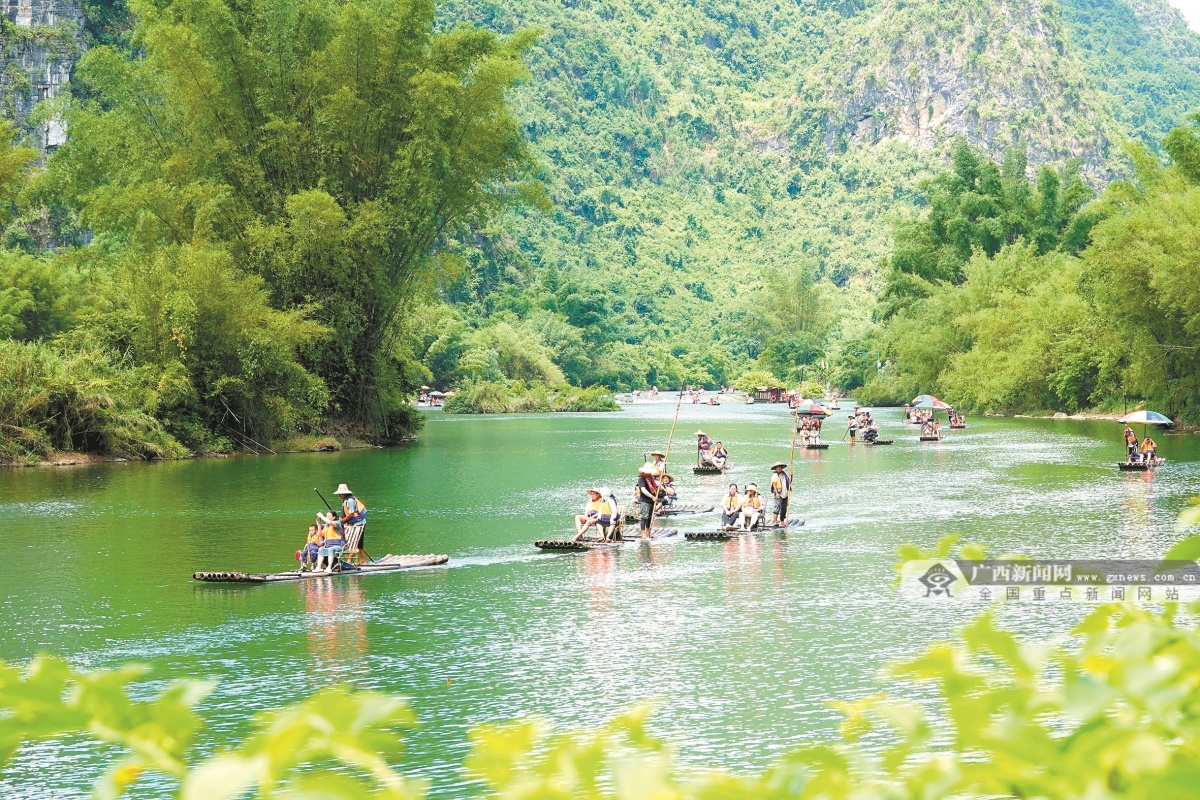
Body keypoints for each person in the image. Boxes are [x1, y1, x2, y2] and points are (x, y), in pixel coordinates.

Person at [333, 483, 367, 562]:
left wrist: (343, 520)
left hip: (359, 523)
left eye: (340, 494)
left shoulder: (350, 501)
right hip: (353, 523)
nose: (339, 495)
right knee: (356, 542)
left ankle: (350, 560)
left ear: (344, 493)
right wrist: (345, 520)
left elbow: (351, 514)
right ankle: (362, 560)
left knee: (353, 541)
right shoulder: (345, 500)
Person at [636, 463, 661, 538]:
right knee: (644, 517)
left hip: (651, 500)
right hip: (645, 500)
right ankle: (643, 533)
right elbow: (643, 490)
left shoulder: (651, 478)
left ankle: (648, 532)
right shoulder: (641, 479)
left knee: (650, 517)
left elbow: (655, 485)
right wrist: (652, 496)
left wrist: (660, 485)